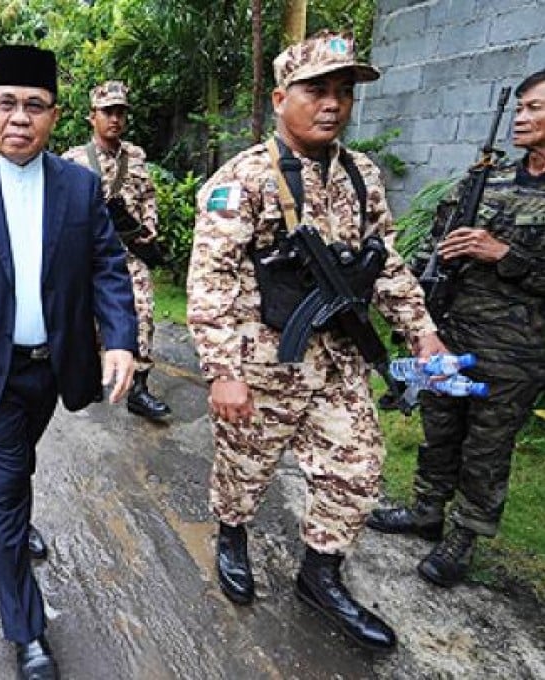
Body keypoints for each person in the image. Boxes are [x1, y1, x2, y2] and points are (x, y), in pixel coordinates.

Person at [187, 30, 447, 651]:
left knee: (356, 470)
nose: (333, 104)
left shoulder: (361, 175)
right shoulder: (244, 178)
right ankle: (232, 535)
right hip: (264, 363)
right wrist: (224, 371)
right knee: (244, 469)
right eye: (316, 90)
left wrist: (423, 332)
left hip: (339, 361)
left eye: (343, 92)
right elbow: (211, 279)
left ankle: (319, 575)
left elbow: (383, 261)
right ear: (281, 99)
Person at [0, 45, 137, 680]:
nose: (20, 117)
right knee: (5, 485)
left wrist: (119, 338)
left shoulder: (79, 186)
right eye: (7, 103)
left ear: (54, 115)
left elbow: (107, 265)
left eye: (34, 105)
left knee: (20, 459)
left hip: (53, 367)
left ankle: (18, 513)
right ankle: (26, 628)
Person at [367, 70, 545, 587]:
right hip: (453, 331)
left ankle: (464, 537)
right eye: (519, 108)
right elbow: (437, 242)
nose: (521, 118)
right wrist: (420, 299)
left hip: (516, 349)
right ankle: (426, 511)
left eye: (535, 108)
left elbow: (509, 258)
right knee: (440, 427)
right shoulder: (489, 178)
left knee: (486, 447)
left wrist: (505, 254)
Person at [63, 80, 172, 421]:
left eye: (120, 112)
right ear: (91, 116)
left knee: (143, 314)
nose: (115, 119)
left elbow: (148, 195)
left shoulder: (135, 156)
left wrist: (149, 226)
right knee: (87, 317)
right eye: (107, 112)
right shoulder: (73, 160)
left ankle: (138, 388)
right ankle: (94, 375)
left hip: (130, 252)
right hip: (88, 255)